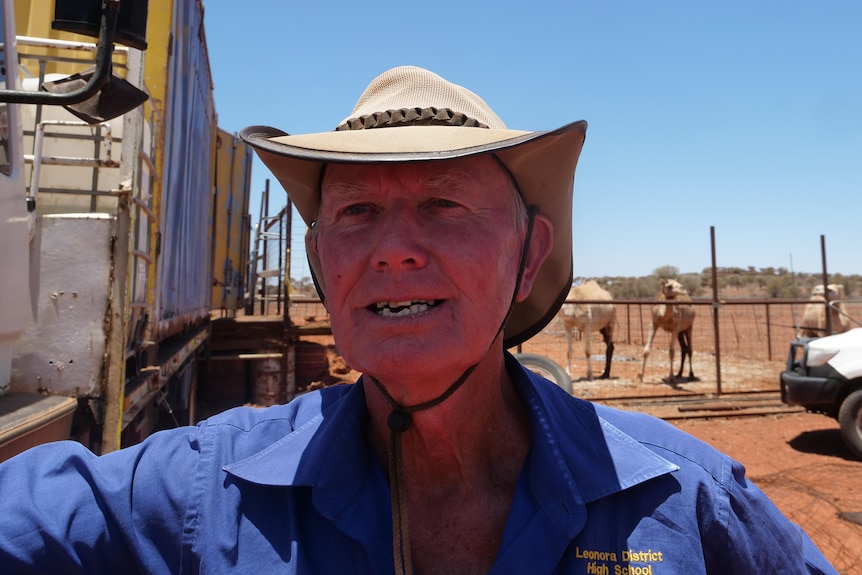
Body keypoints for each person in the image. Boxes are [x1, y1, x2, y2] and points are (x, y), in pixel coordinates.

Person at [0, 66, 837, 575]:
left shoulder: (681, 501)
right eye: (357, 211)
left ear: (526, 255)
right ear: (321, 262)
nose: (394, 249)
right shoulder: (201, 493)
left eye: (443, 203)